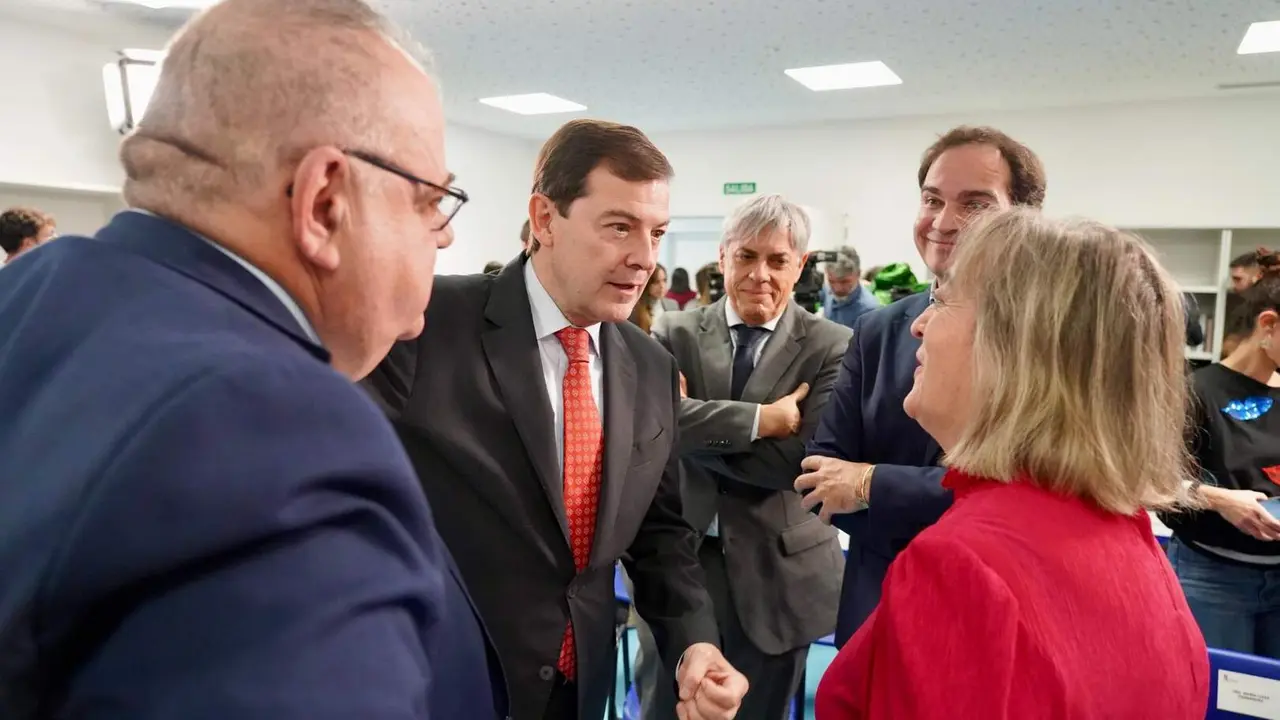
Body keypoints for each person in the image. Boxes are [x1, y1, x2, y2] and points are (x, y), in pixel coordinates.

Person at [0, 1, 505, 718]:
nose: (445, 238)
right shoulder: (274, 429)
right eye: (430, 200)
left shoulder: (28, 298)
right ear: (324, 202)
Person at [363, 118, 748, 720]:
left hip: (578, 687)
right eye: (619, 227)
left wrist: (694, 644)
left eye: (657, 233)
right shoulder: (428, 325)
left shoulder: (649, 368)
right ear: (544, 219)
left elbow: (661, 537)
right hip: (439, 680)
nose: (645, 259)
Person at [815, 209, 1209, 718]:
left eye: (943, 300)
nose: (918, 323)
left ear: (1013, 346)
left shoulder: (964, 566)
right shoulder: (1124, 535)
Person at [798, 125, 1047, 646]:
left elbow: (1036, 492)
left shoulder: (1048, 340)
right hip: (878, 598)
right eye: (932, 200)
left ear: (1024, 218)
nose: (945, 222)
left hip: (999, 609)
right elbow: (822, 477)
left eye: (975, 204)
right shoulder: (881, 330)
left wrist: (871, 485)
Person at [635, 195, 849, 720]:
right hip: (680, 562)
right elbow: (653, 430)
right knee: (669, 708)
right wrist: (763, 422)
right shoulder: (673, 331)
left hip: (781, 576)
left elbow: (799, 464)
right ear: (723, 255)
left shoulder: (833, 345)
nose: (760, 275)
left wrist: (691, 423)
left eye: (778, 261)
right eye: (746, 257)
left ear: (800, 264)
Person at [1164, 248, 1280, 657]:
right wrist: (1219, 500)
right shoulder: (1195, 393)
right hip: (1212, 578)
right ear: (1268, 324)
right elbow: (1151, 483)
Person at [822, 246, 880, 329]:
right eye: (831, 281)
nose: (837, 288)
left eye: (844, 281)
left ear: (858, 274)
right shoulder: (827, 289)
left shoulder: (870, 311)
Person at [630, 262, 678, 333]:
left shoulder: (672, 305)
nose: (662, 286)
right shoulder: (634, 309)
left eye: (664, 280)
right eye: (656, 282)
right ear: (646, 283)